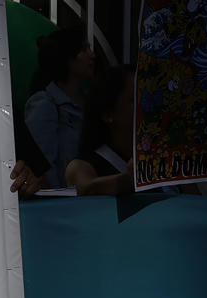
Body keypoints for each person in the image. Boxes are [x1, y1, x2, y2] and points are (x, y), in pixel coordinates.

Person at [22, 26, 94, 190]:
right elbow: (42, 168)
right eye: (84, 49)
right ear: (68, 58)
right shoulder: (44, 105)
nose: (92, 55)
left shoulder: (92, 100)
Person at [64, 65, 135, 196]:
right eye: (134, 99)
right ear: (108, 114)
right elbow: (86, 188)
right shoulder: (82, 166)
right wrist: (136, 178)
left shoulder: (167, 161)